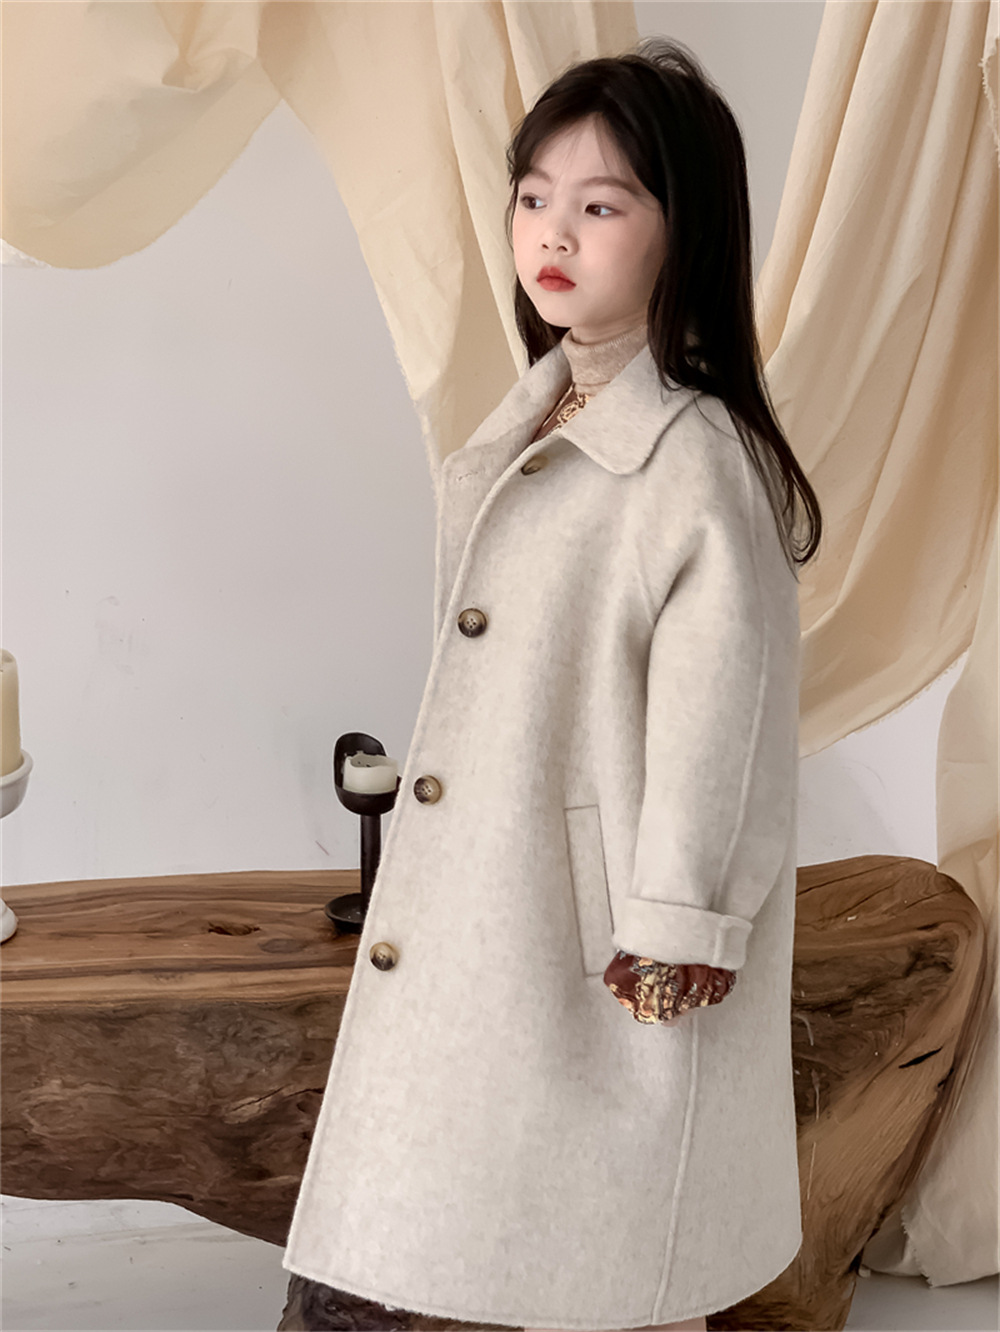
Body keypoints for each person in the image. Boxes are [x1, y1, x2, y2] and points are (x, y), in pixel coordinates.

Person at [281, 35, 822, 1332]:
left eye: (602, 204)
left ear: (682, 231)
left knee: (607, 1257)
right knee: (464, 1232)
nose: (552, 233)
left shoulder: (694, 462)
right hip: (498, 907)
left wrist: (679, 925)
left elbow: (723, 719)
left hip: (603, 936)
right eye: (533, 197)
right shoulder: (535, 419)